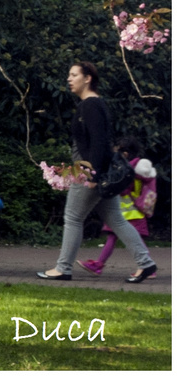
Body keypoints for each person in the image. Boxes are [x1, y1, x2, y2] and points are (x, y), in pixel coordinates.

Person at [40, 62, 157, 283]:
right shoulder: (94, 104)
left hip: (89, 173)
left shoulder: (90, 105)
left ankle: (63, 268)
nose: (69, 79)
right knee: (117, 220)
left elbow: (99, 143)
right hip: (94, 170)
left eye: (73, 74)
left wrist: (92, 175)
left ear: (87, 78)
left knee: (73, 218)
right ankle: (146, 263)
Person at [80, 136, 159, 276]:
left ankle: (148, 266)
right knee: (121, 238)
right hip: (132, 211)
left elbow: (124, 188)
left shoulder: (127, 169)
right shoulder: (140, 168)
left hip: (129, 210)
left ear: (125, 154)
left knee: (130, 239)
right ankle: (99, 265)